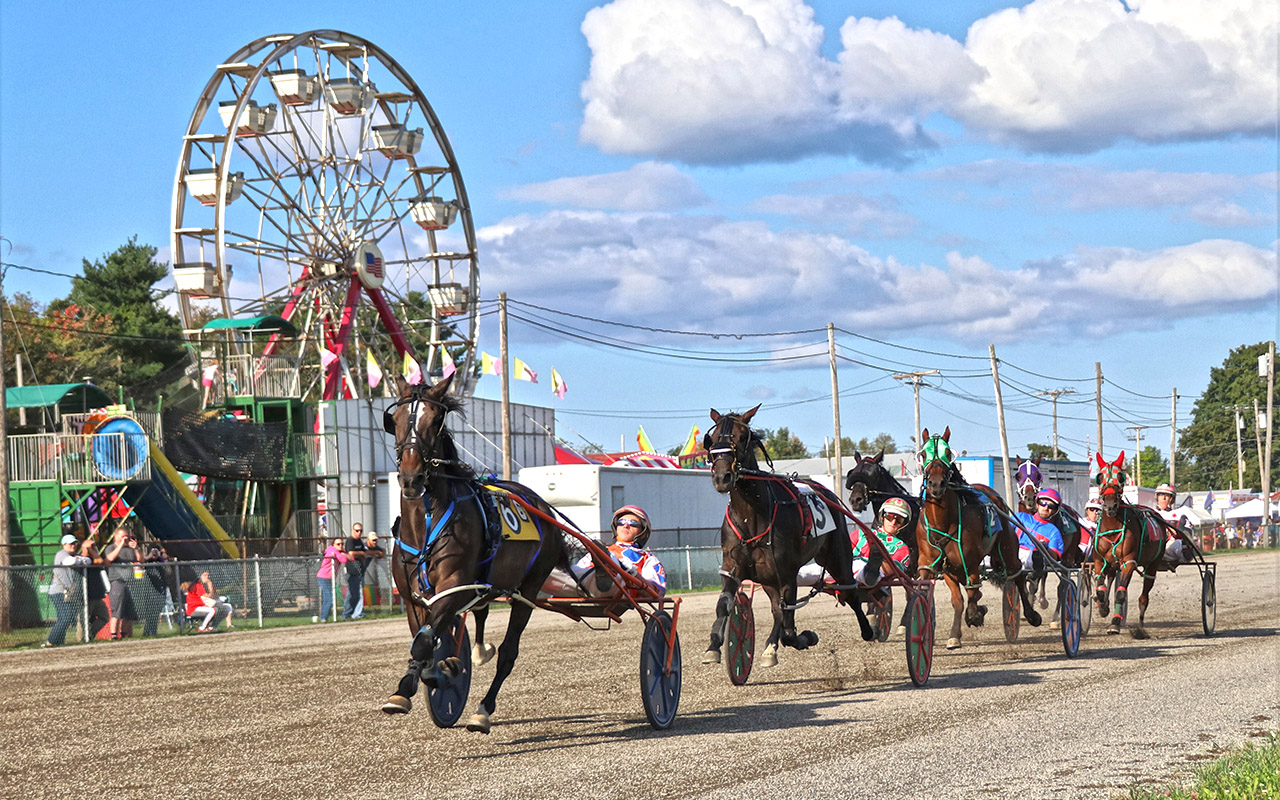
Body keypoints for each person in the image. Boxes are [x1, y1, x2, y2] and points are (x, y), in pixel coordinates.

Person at [572, 506, 666, 597]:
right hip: (580, 584)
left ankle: (606, 570)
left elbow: (655, 592)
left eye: (633, 523)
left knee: (610, 557)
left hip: (618, 589)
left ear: (643, 533)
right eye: (621, 522)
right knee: (562, 571)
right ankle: (602, 568)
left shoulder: (648, 558)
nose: (626, 525)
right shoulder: (601, 549)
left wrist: (633, 573)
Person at [44, 534, 90, 647]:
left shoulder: (75, 555)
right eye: (71, 544)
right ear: (64, 545)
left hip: (70, 592)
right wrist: (79, 560)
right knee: (66, 616)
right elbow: (69, 562)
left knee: (65, 617)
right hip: (58, 592)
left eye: (75, 543)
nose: (73, 546)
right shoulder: (61, 554)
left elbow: (88, 561)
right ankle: (51, 641)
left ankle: (59, 641)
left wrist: (79, 559)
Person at [1013, 488, 1065, 572]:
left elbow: (1055, 556)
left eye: (1051, 506)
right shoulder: (1020, 517)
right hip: (1011, 552)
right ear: (1037, 504)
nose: (1046, 508)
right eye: (1043, 503)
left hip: (1031, 559)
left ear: (1055, 510)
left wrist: (1045, 549)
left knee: (1035, 556)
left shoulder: (1053, 531)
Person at [103, 528, 140, 640]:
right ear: (116, 536)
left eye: (127, 536)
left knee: (129, 611)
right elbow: (109, 559)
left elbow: (140, 559)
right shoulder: (111, 548)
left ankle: (125, 634)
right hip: (117, 581)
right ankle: (114, 635)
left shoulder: (130, 549)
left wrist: (136, 548)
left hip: (130, 581)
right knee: (117, 610)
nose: (126, 538)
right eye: (123, 536)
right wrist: (120, 545)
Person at [1154, 483, 1194, 566]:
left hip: (1170, 546)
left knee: (1178, 543)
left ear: (1172, 498)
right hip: (1154, 547)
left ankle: (1187, 547)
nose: (1163, 498)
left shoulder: (1179, 513)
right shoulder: (1150, 513)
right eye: (1161, 494)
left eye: (1167, 495)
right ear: (1157, 497)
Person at [316, 537, 350, 621]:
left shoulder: (339, 552)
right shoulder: (332, 551)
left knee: (327, 598)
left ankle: (324, 618)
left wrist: (343, 553)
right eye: (338, 544)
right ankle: (323, 618)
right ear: (333, 545)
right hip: (323, 577)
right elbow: (344, 559)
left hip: (330, 578)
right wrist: (343, 554)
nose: (340, 546)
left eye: (342, 544)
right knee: (330, 599)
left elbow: (351, 558)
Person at [343, 523, 369, 619]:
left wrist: (361, 554)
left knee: (357, 594)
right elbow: (351, 553)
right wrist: (361, 553)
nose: (359, 533)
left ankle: (354, 613)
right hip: (352, 570)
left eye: (361, 531)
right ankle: (347, 614)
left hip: (359, 571)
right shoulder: (350, 540)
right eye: (357, 530)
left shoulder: (359, 541)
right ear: (353, 530)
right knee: (352, 594)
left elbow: (365, 554)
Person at [363, 532, 387, 607]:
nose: (375, 542)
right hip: (355, 570)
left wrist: (380, 554)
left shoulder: (375, 547)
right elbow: (365, 552)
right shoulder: (364, 546)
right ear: (368, 540)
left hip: (362, 571)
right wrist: (376, 552)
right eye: (373, 540)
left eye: (375, 540)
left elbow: (382, 551)